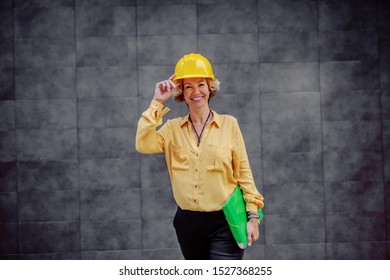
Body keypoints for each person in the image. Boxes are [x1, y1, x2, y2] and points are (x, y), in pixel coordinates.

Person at [135, 53, 264, 260]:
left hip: (226, 220)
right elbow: (142, 144)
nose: (196, 92)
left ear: (210, 87)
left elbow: (244, 173)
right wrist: (157, 101)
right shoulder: (172, 129)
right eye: (188, 86)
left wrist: (253, 216)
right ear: (181, 92)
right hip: (188, 224)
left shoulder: (229, 124)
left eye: (201, 85)